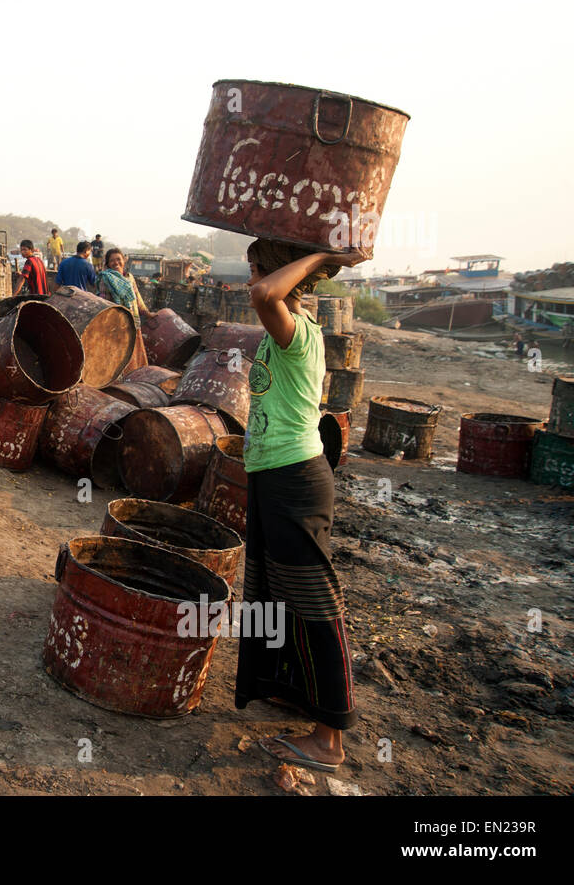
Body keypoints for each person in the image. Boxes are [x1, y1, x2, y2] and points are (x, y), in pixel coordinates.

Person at [234, 237, 370, 773]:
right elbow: (270, 294)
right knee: (275, 596)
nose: (250, 280)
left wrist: (323, 258)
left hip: (297, 479)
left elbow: (267, 293)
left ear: (275, 271)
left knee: (315, 604)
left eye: (253, 268)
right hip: (272, 476)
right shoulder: (281, 330)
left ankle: (330, 737)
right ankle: (292, 688)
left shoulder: (297, 332)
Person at [96, 248, 153, 368]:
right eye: (112, 261)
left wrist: (147, 313)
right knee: (117, 356)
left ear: (124, 261)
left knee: (133, 355)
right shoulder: (105, 278)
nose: (116, 263)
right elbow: (103, 301)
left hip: (132, 321)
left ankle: (133, 379)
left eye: (118, 259)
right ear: (107, 264)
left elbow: (137, 297)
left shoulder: (129, 277)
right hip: (116, 323)